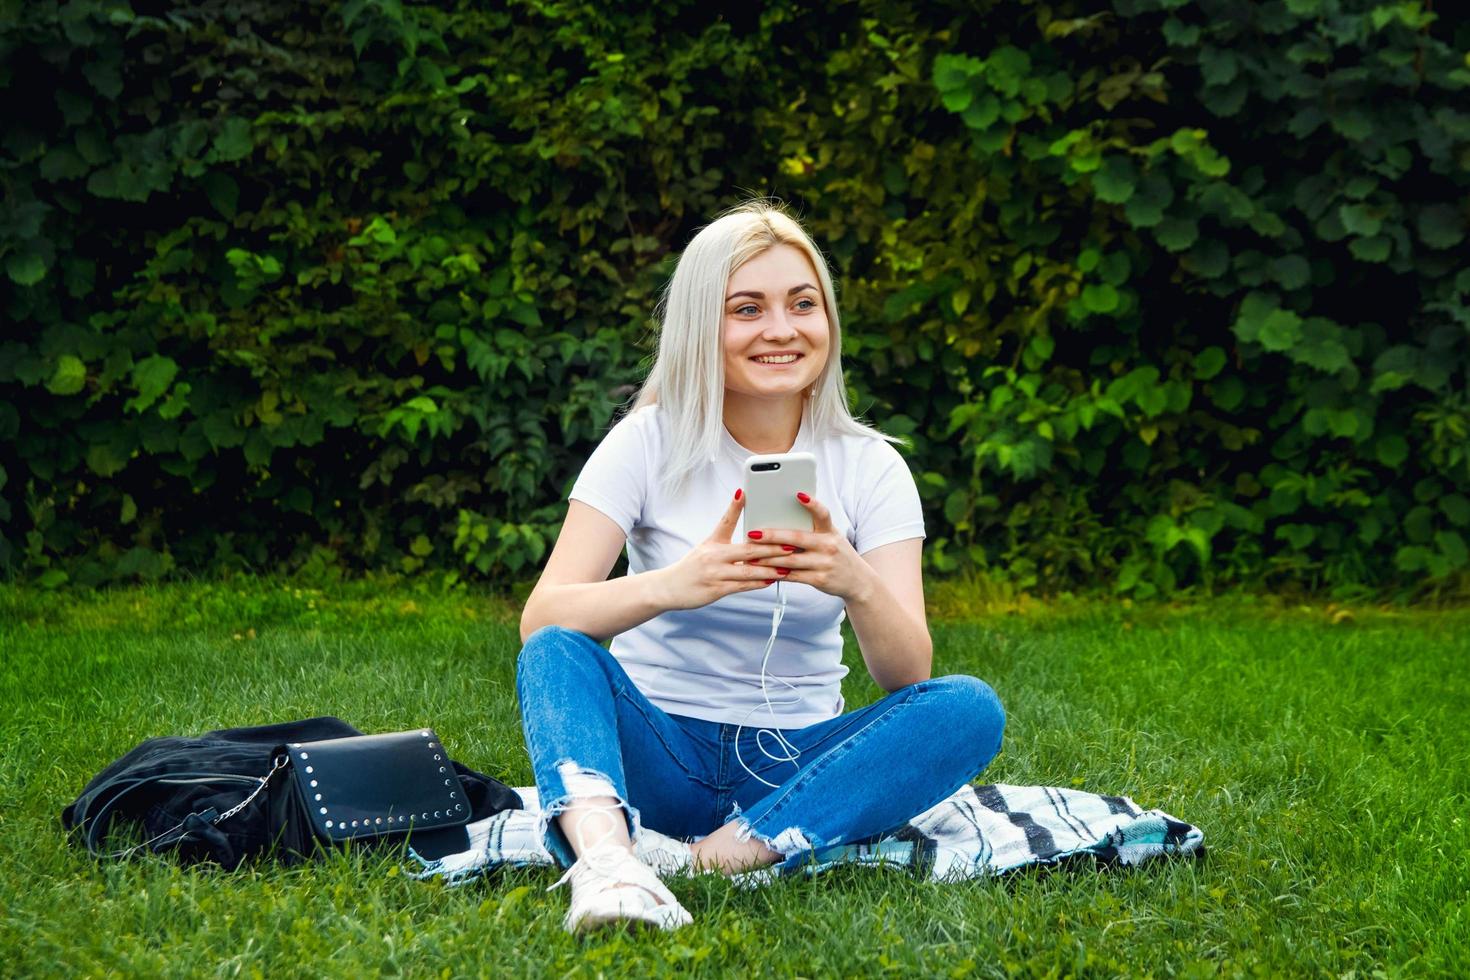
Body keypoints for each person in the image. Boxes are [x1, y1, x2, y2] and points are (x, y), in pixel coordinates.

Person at [515, 199, 1005, 934]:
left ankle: (714, 858)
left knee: (967, 707)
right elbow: (542, 617)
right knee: (556, 651)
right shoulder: (646, 442)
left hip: (797, 760)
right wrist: (671, 586)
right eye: (747, 308)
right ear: (701, 328)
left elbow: (909, 676)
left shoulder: (872, 467)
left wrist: (853, 580)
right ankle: (609, 862)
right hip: (661, 751)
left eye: (802, 304)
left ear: (828, 321)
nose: (781, 329)